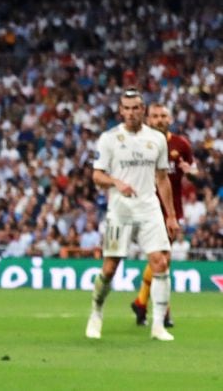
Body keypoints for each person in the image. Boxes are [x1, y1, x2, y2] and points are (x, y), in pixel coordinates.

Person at [87, 89, 180, 341]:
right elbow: (97, 176)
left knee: (160, 262)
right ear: (120, 111)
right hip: (120, 212)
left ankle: (158, 325)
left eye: (135, 108)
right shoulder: (109, 138)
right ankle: (96, 312)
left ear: (143, 110)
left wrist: (170, 215)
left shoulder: (157, 139)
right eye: (126, 108)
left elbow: (162, 179)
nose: (130, 112)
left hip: (149, 209)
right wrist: (116, 182)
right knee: (110, 267)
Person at [130, 103, 197, 327]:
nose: (159, 119)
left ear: (170, 119)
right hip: (146, 208)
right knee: (160, 260)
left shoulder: (181, 144)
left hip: (171, 209)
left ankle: (141, 302)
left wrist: (191, 172)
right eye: (155, 116)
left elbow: (194, 172)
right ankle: (164, 312)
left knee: (163, 260)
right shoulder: (138, 143)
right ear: (148, 119)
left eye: (163, 116)